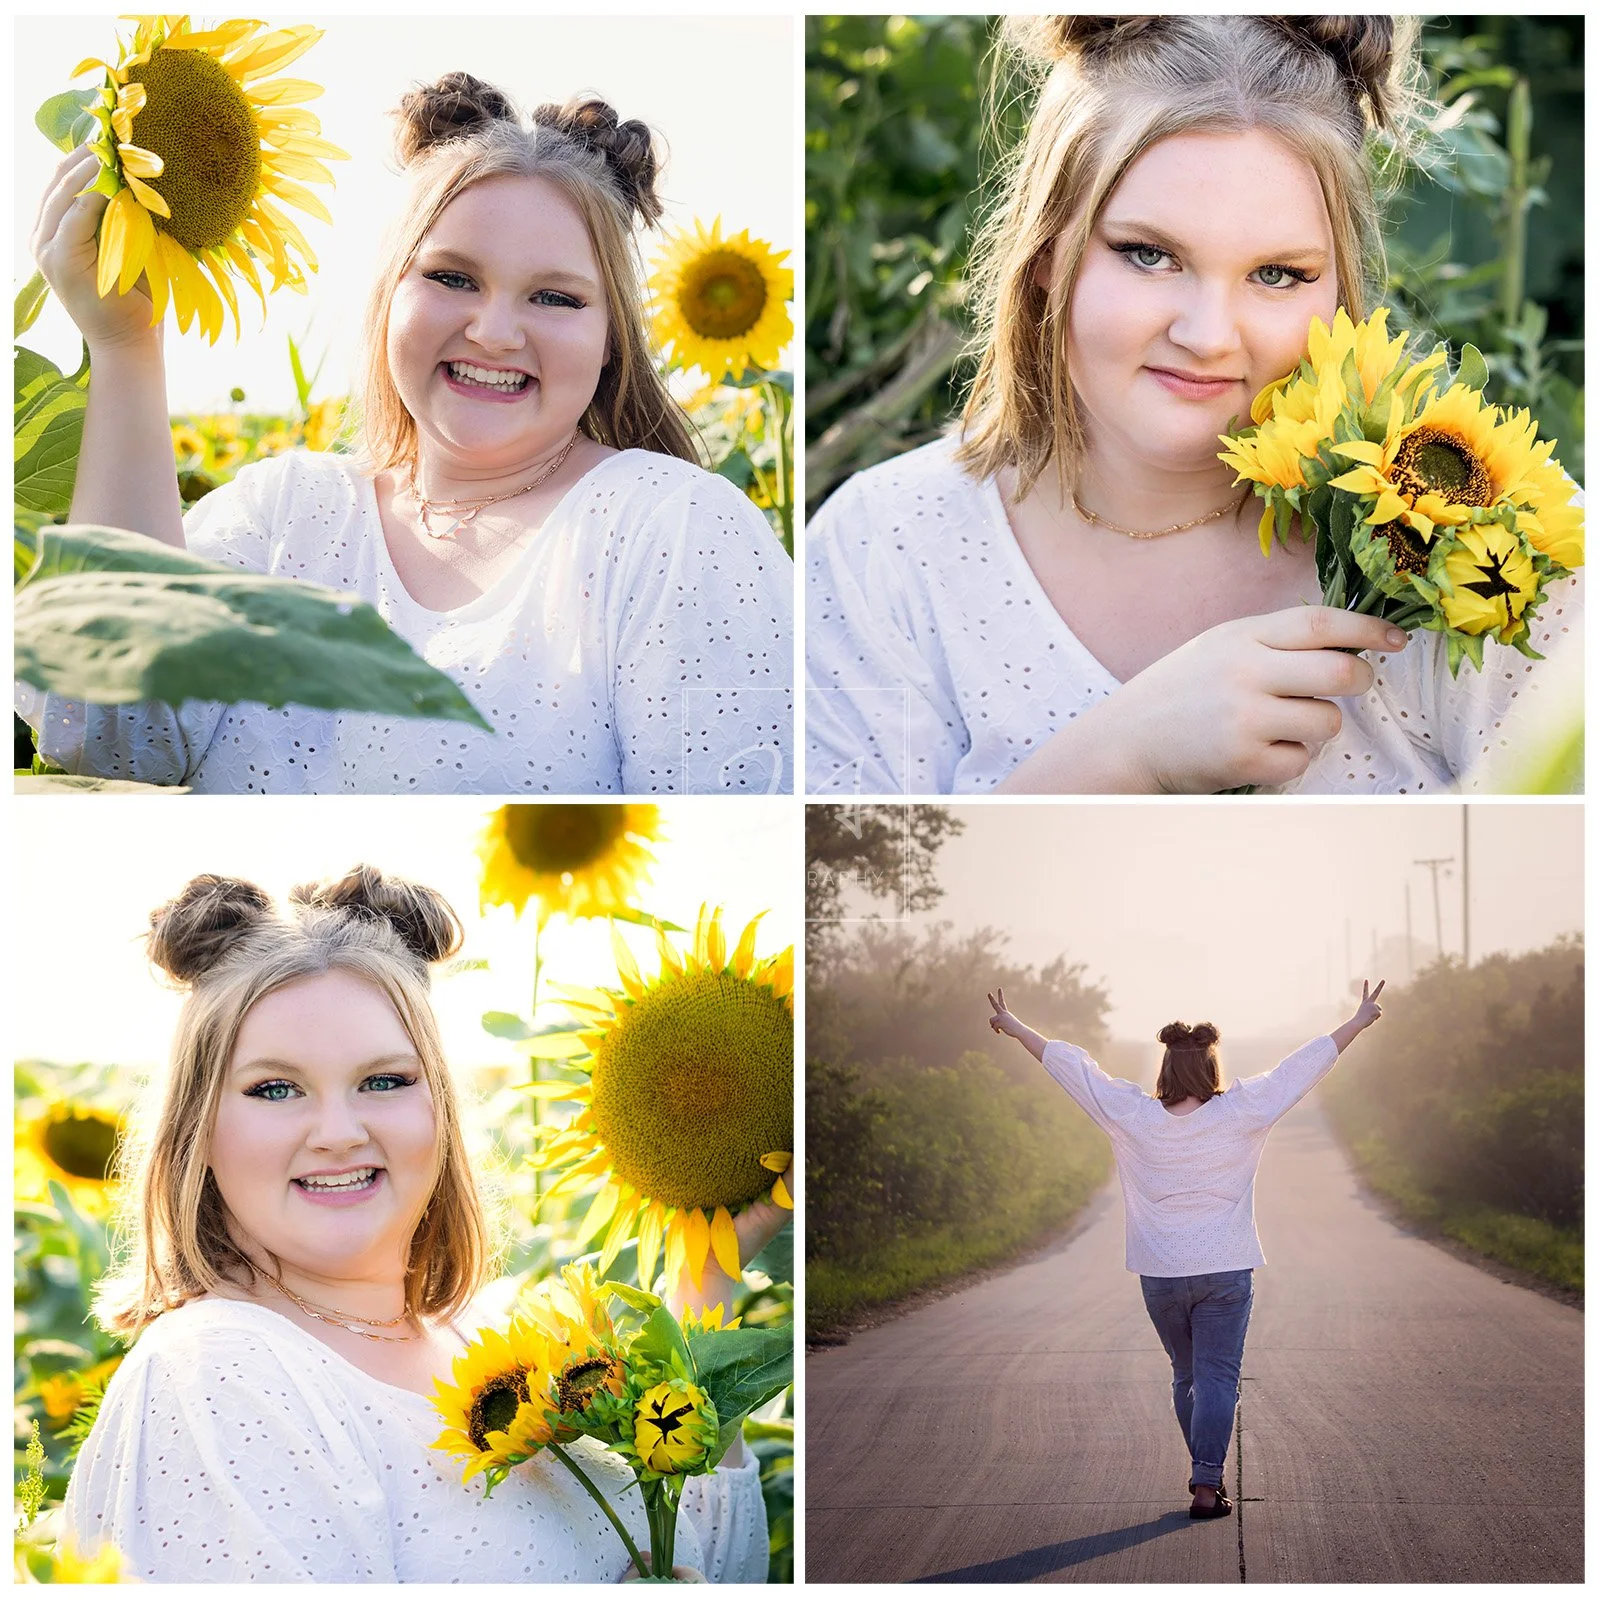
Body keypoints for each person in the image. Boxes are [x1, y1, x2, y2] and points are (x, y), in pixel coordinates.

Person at [805, 15, 1580, 795]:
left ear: (1340, 283)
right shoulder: (889, 547)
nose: (1208, 335)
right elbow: (853, 910)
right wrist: (1121, 756)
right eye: (1149, 255)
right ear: (1045, 254)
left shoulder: (1490, 546)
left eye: (1278, 274)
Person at [22, 73, 792, 795]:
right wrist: (126, 344)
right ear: (390, 295)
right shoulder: (285, 517)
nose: (493, 332)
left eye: (555, 297)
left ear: (612, 338)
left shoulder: (675, 531)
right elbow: (109, 733)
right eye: (452, 278)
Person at [63, 866, 782, 1581]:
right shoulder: (217, 1378)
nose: (338, 1132)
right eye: (275, 1089)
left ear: (437, 1106)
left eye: (384, 1081)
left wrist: (705, 1273)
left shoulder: (493, 1336)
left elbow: (707, 1569)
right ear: (199, 1130)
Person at [985, 979, 1385, 1518]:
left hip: (1161, 1273)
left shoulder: (1132, 1114)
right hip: (1225, 1271)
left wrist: (1014, 1028)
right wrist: (1358, 1021)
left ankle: (1203, 1475)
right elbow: (1300, 1068)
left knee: (1186, 1374)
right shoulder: (1241, 1110)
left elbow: (1073, 1068)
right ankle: (1206, 1483)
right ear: (1211, 1068)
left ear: (1166, 1069)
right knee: (1218, 1376)